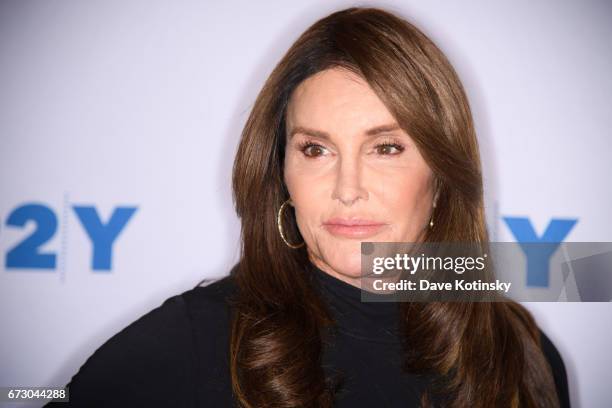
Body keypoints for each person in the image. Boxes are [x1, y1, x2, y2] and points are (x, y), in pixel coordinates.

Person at [44, 6, 570, 407]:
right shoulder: (194, 340)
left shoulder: (518, 352)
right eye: (316, 150)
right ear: (281, 171)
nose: (347, 187)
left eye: (386, 148)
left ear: (442, 175)